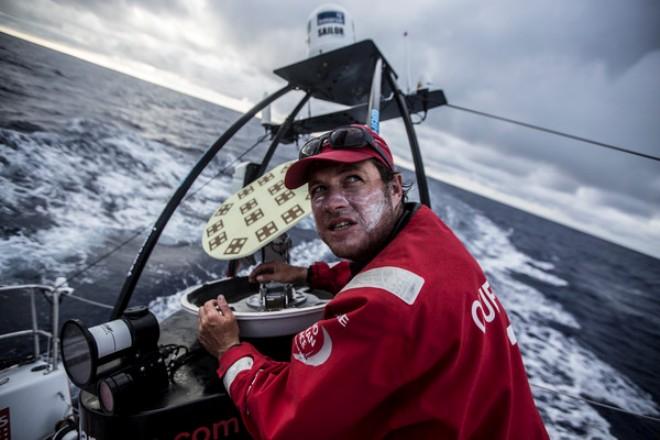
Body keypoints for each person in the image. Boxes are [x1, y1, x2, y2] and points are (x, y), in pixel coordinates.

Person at [198, 124, 549, 439]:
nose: (333, 202)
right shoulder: (433, 238)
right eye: (319, 189)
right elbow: (388, 275)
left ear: (394, 188)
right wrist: (309, 274)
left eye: (353, 180)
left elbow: (287, 423)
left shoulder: (383, 310)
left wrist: (229, 349)